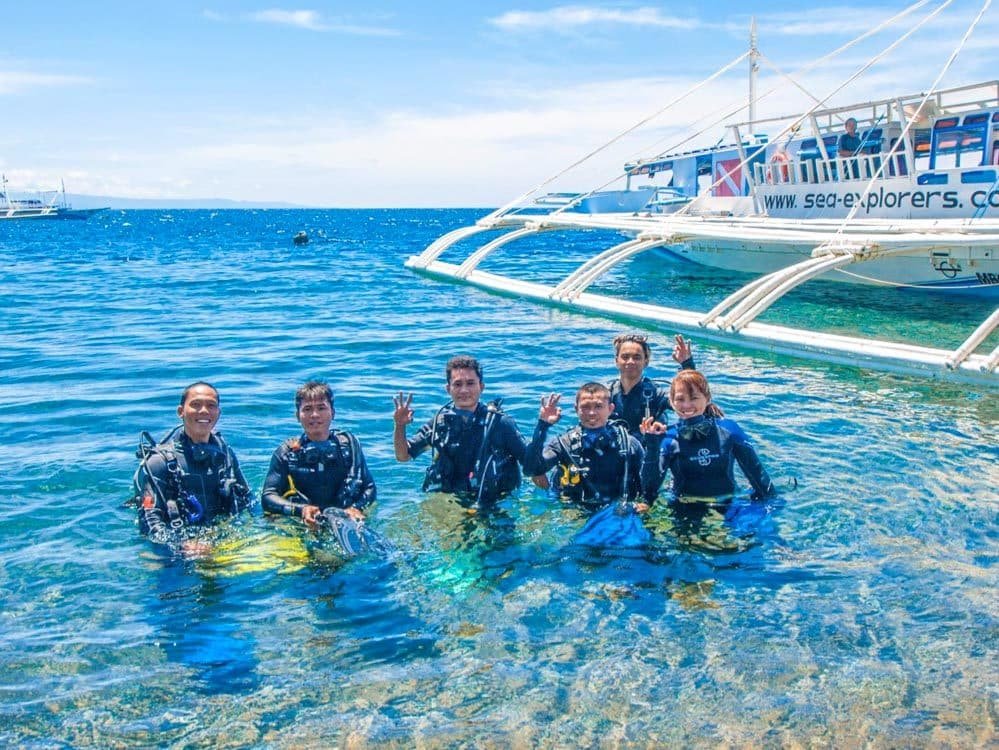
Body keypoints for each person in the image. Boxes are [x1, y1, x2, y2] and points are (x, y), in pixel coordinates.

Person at [393, 355, 528, 506]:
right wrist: (400, 425)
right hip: (451, 499)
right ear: (448, 388)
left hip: (494, 502)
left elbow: (531, 465)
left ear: (481, 387)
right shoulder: (440, 423)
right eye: (457, 384)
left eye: (470, 383)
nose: (464, 390)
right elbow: (403, 456)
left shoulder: (500, 424)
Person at [134, 382, 252, 547]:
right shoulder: (159, 462)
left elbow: (247, 500)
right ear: (180, 412)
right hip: (175, 546)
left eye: (211, 406)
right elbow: (148, 520)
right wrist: (181, 545)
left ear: (218, 413)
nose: (204, 410)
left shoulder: (225, 454)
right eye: (196, 405)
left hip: (221, 538)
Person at [640, 369, 775, 505]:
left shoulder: (729, 431)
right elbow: (648, 491)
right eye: (680, 399)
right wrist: (652, 446)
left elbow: (759, 478)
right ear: (672, 402)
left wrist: (771, 508)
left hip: (727, 502)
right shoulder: (668, 438)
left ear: (707, 398)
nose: (687, 405)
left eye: (694, 398)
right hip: (684, 505)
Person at [262, 380, 376, 527]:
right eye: (307, 409)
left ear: (332, 413)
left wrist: (356, 508)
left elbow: (369, 487)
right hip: (299, 522)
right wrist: (300, 510)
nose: (315, 415)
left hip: (343, 518)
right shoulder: (286, 453)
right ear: (298, 416)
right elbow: (268, 497)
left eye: (321, 408)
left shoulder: (349, 448)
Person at [524, 383, 647, 511]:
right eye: (585, 407)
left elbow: (647, 484)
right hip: (575, 512)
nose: (592, 413)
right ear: (576, 409)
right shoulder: (564, 444)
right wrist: (543, 425)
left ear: (610, 409)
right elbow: (531, 470)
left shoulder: (628, 444)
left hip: (619, 511)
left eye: (598, 406)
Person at [608, 333, 695, 442]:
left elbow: (688, 400)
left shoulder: (656, 394)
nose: (630, 362)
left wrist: (687, 365)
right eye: (625, 357)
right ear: (616, 361)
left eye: (637, 357)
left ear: (646, 362)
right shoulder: (607, 393)